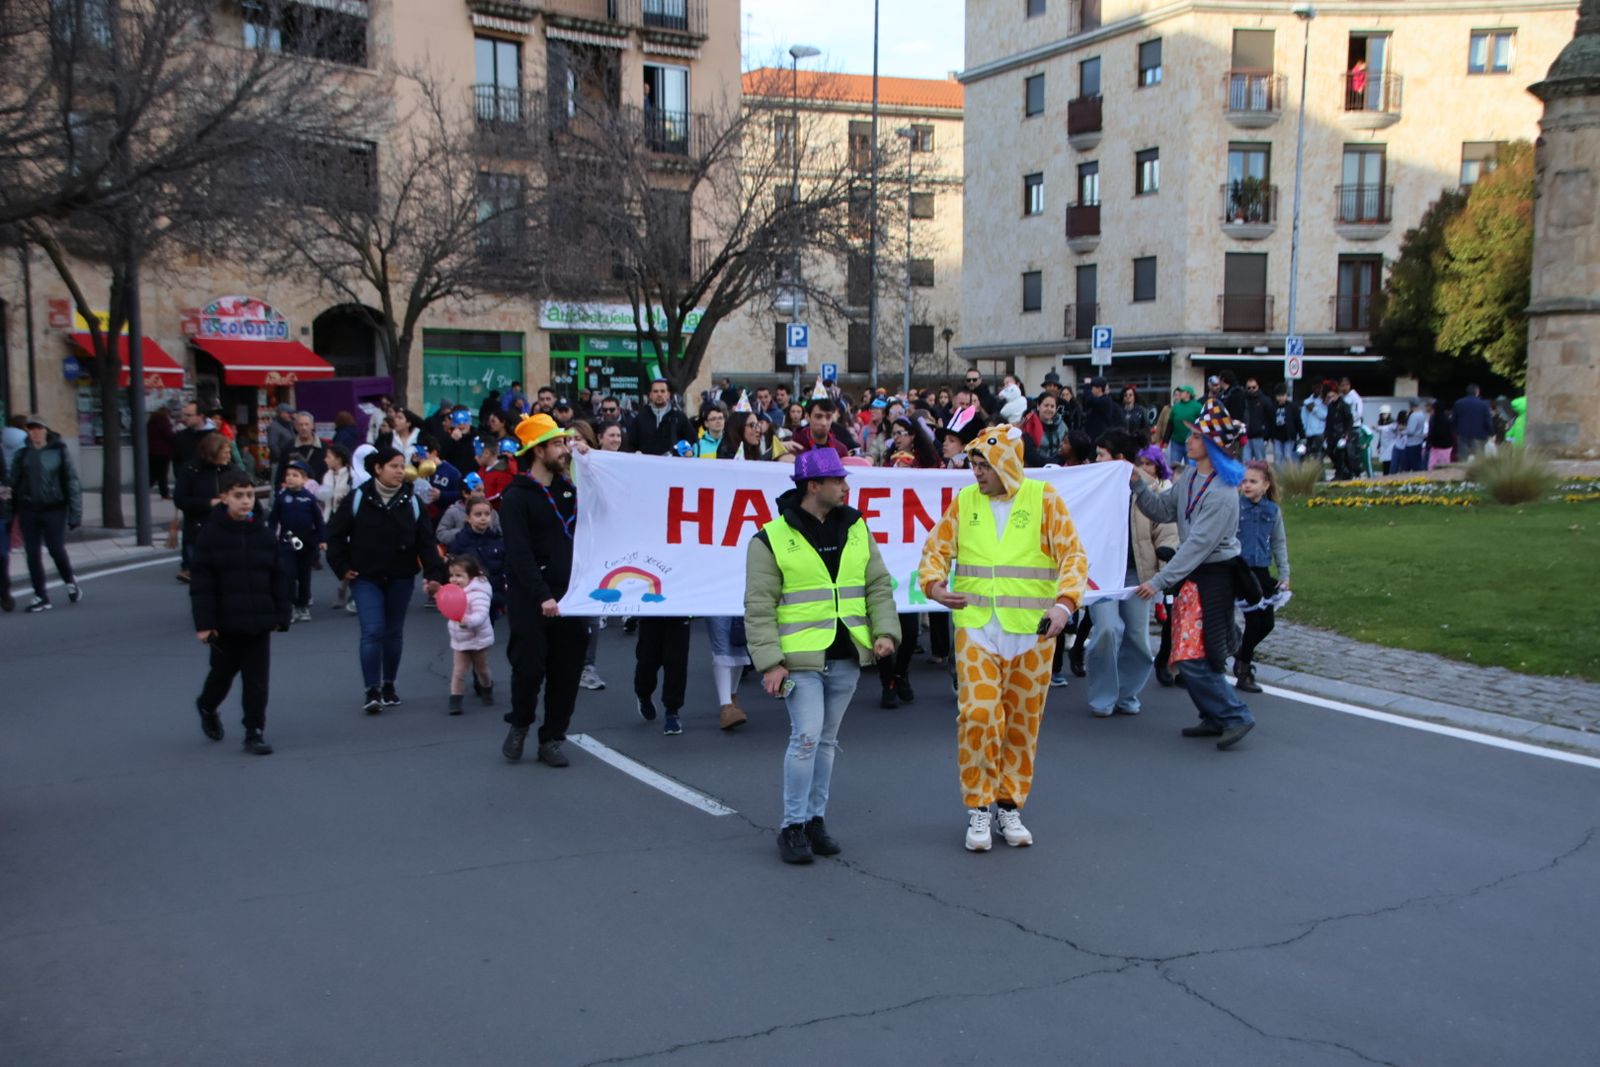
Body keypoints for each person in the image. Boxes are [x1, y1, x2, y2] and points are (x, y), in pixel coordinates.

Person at [919, 424, 1089, 852]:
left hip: (1032, 632)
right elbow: (935, 550)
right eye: (973, 464)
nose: (976, 472)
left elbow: (1072, 553)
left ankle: (1008, 803)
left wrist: (1065, 604)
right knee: (978, 715)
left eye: (984, 464)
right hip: (977, 627)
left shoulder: (1043, 498)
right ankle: (979, 805)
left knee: (1022, 723)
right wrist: (935, 586)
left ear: (1006, 463)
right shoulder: (965, 502)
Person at [745, 448, 900, 864]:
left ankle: (815, 820)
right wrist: (770, 662)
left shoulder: (855, 527)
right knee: (807, 737)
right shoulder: (769, 539)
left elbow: (877, 584)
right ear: (814, 486)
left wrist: (885, 631)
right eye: (838, 480)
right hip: (799, 660)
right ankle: (792, 826)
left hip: (847, 654)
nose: (846, 486)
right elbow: (759, 607)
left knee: (826, 741)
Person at [1130, 398, 1257, 750]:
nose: (1189, 440)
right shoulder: (1189, 480)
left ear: (1213, 444)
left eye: (1198, 436)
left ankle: (1235, 715)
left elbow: (1197, 545)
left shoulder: (1222, 493)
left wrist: (1158, 581)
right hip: (1195, 578)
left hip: (1213, 578)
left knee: (1192, 654)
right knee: (1195, 652)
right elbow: (1161, 509)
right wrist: (1139, 484)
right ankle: (1214, 716)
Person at [326, 446, 447, 714]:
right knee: (373, 630)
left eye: (401, 466)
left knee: (393, 633)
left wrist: (433, 575)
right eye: (393, 466)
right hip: (365, 577)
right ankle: (372, 690)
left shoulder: (413, 502)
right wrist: (342, 567)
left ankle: (389, 684)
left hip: (400, 577)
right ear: (377, 469)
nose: (399, 471)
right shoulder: (358, 498)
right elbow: (334, 535)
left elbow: (426, 543)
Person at [498, 414, 589, 766]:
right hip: (531, 596)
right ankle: (520, 723)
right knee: (529, 668)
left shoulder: (569, 489)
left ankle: (552, 737)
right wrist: (542, 595)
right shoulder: (516, 497)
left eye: (565, 443)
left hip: (571, 595)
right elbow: (518, 554)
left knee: (566, 672)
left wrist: (588, 459)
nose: (564, 450)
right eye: (557, 444)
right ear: (537, 452)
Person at [189, 469, 290, 756]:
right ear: (224, 498)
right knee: (221, 676)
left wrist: (282, 614)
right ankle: (207, 706)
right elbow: (202, 584)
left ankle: (254, 730)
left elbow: (277, 577)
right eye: (238, 496)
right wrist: (205, 623)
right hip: (225, 623)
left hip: (258, 621)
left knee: (257, 680)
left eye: (249, 495)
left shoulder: (264, 534)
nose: (245, 501)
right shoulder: (210, 535)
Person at [1083, 430, 1173, 719]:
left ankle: (1127, 692)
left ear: (1120, 459)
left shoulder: (1150, 489)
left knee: (1138, 638)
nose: (1096, 459)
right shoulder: (1091, 487)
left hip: (1137, 575)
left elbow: (1167, 531)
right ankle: (1102, 695)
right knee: (1107, 630)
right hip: (1101, 576)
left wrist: (1161, 574)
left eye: (1101, 454)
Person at [6, 415, 83, 613]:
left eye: (38, 428)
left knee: (56, 549)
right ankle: (40, 595)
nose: (35, 433)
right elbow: (13, 483)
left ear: (46, 430)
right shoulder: (22, 455)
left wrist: (75, 513)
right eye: (31, 429)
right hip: (29, 509)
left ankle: (70, 581)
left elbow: (72, 482)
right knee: (32, 554)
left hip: (54, 508)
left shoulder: (59, 451)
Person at [1232, 461, 1290, 694]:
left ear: (1266, 485)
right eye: (1244, 481)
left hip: (1261, 570)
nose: (1247, 485)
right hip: (1239, 569)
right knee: (1254, 620)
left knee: (1267, 623)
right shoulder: (1235, 507)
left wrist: (1285, 574)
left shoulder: (1272, 511)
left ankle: (1241, 652)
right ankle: (1244, 672)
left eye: (1253, 481)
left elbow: (1279, 543)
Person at [271, 460, 326, 624]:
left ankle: (303, 605)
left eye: (295, 475)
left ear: (304, 480)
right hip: (287, 542)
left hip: (307, 543)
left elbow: (319, 520)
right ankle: (291, 605)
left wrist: (322, 539)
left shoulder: (308, 498)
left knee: (304, 575)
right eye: (288, 475)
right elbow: (273, 519)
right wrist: (269, 537)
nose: (290, 478)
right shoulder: (281, 497)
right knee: (288, 574)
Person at [443, 554, 496, 716]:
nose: (454, 579)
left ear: (471, 576)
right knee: (458, 671)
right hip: (460, 640)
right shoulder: (453, 592)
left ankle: (487, 687)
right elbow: (447, 607)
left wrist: (469, 621)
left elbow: (481, 614)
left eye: (459, 576)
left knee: (482, 669)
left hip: (478, 639)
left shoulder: (478, 593)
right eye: (451, 575)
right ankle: (455, 700)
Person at [629, 379, 695, 456]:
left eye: (662, 391)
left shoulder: (679, 416)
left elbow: (691, 440)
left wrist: (686, 451)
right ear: (650, 395)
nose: (659, 394)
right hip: (647, 465)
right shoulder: (640, 417)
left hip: (672, 465)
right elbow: (631, 443)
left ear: (668, 395)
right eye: (655, 391)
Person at [786, 397, 852, 459]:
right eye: (818, 417)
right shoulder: (793, 446)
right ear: (807, 417)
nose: (824, 423)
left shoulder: (840, 450)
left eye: (828, 417)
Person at [1322, 384, 1356, 480]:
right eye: (1329, 396)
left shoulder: (1344, 405)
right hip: (1332, 434)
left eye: (1332, 396)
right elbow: (1328, 421)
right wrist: (1326, 434)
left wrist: (1346, 434)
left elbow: (1349, 420)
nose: (1331, 398)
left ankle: (1341, 473)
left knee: (1340, 454)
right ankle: (1341, 471)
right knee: (1330, 452)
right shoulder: (1331, 406)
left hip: (1341, 433)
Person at [1164, 385, 1202, 470]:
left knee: (1191, 467)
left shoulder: (1197, 406)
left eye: (1182, 392)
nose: (1180, 393)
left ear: (1188, 394)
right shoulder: (1176, 407)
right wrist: (1165, 440)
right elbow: (1170, 424)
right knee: (1174, 466)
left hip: (1191, 442)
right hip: (1176, 442)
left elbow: (1201, 424)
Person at [1452, 385, 1494, 459]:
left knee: (1463, 457)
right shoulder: (1484, 405)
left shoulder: (1458, 403)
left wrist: (1455, 431)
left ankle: (1462, 470)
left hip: (1462, 434)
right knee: (1479, 458)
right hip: (1479, 435)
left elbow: (1454, 420)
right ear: (1477, 392)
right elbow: (1488, 421)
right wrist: (1491, 432)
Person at [1241, 378, 1272, 462]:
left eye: (1253, 387)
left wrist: (1266, 435)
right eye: (1249, 388)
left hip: (1259, 436)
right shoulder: (1243, 400)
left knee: (1260, 462)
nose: (1251, 390)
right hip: (1246, 436)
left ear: (1257, 387)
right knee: (1246, 462)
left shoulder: (1264, 400)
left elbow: (1270, 418)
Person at [147, 408, 176, 499]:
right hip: (163, 452)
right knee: (162, 474)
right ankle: (165, 494)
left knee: (153, 473)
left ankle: (144, 489)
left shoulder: (150, 423)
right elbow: (170, 436)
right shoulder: (163, 423)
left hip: (152, 451)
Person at [1269, 383, 1300, 465]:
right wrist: (1270, 435)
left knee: (1287, 456)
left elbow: (1298, 421)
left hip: (1289, 435)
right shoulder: (1273, 407)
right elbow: (1270, 422)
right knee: (1278, 456)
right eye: (1279, 396)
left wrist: (1302, 435)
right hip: (1277, 436)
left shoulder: (1292, 407)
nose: (1281, 398)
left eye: (1283, 395)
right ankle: (1278, 475)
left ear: (1286, 395)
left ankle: (1289, 474)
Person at [1081, 377, 1117, 441]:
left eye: (1093, 387)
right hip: (1092, 435)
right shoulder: (1097, 400)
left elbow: (1090, 399)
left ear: (1099, 389)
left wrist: (1087, 385)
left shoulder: (1105, 400)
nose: (1091, 390)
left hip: (1101, 436)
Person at [1427, 400, 1457, 469]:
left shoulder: (1434, 419)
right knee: (1445, 466)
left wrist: (1429, 442)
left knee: (1432, 466)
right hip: (1446, 446)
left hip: (1436, 446)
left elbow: (1431, 432)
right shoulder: (1447, 419)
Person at [265, 403, 296, 468]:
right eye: (288, 413)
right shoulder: (274, 427)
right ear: (281, 413)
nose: (291, 415)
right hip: (279, 463)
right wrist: (282, 458)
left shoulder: (289, 425)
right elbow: (272, 445)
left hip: (290, 461)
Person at [1375, 406, 1399, 475]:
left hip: (1391, 445)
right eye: (1382, 414)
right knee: (1385, 462)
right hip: (1383, 445)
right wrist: (1378, 446)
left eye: (1385, 414)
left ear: (1389, 414)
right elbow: (1381, 435)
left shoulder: (1393, 422)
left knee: (1390, 461)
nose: (1383, 416)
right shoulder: (1380, 422)